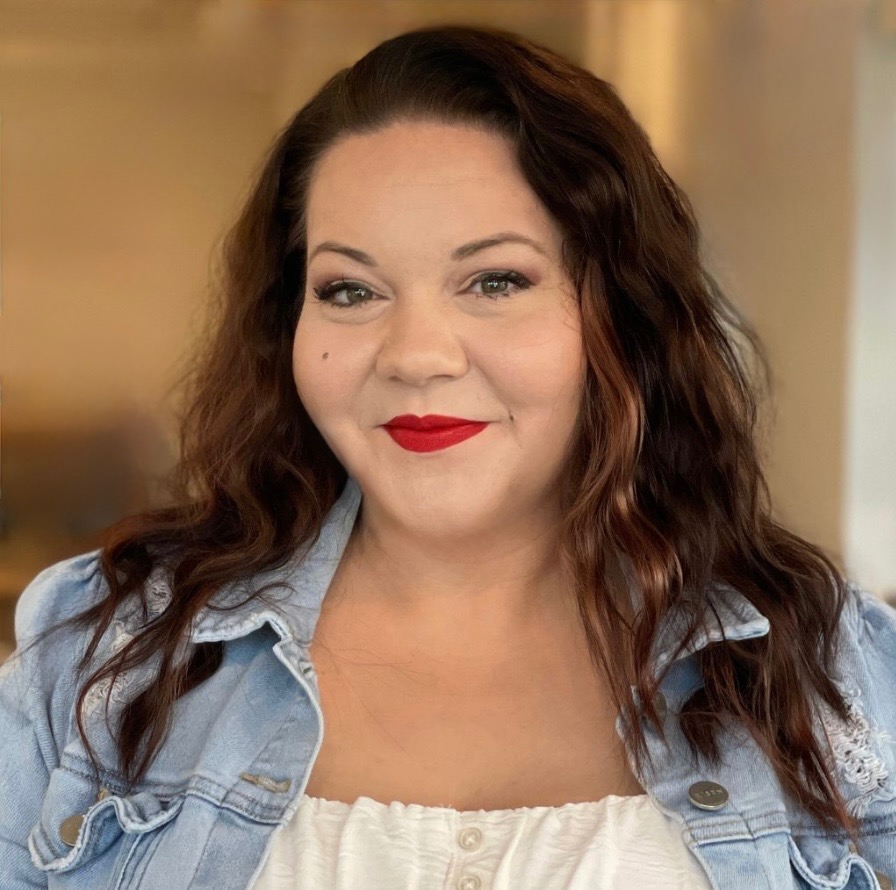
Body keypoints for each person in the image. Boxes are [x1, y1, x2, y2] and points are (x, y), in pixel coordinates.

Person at [1, 22, 894, 890]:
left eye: (495, 280)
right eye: (350, 289)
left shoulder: (839, 675)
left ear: (618, 313)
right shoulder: (100, 659)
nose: (415, 355)